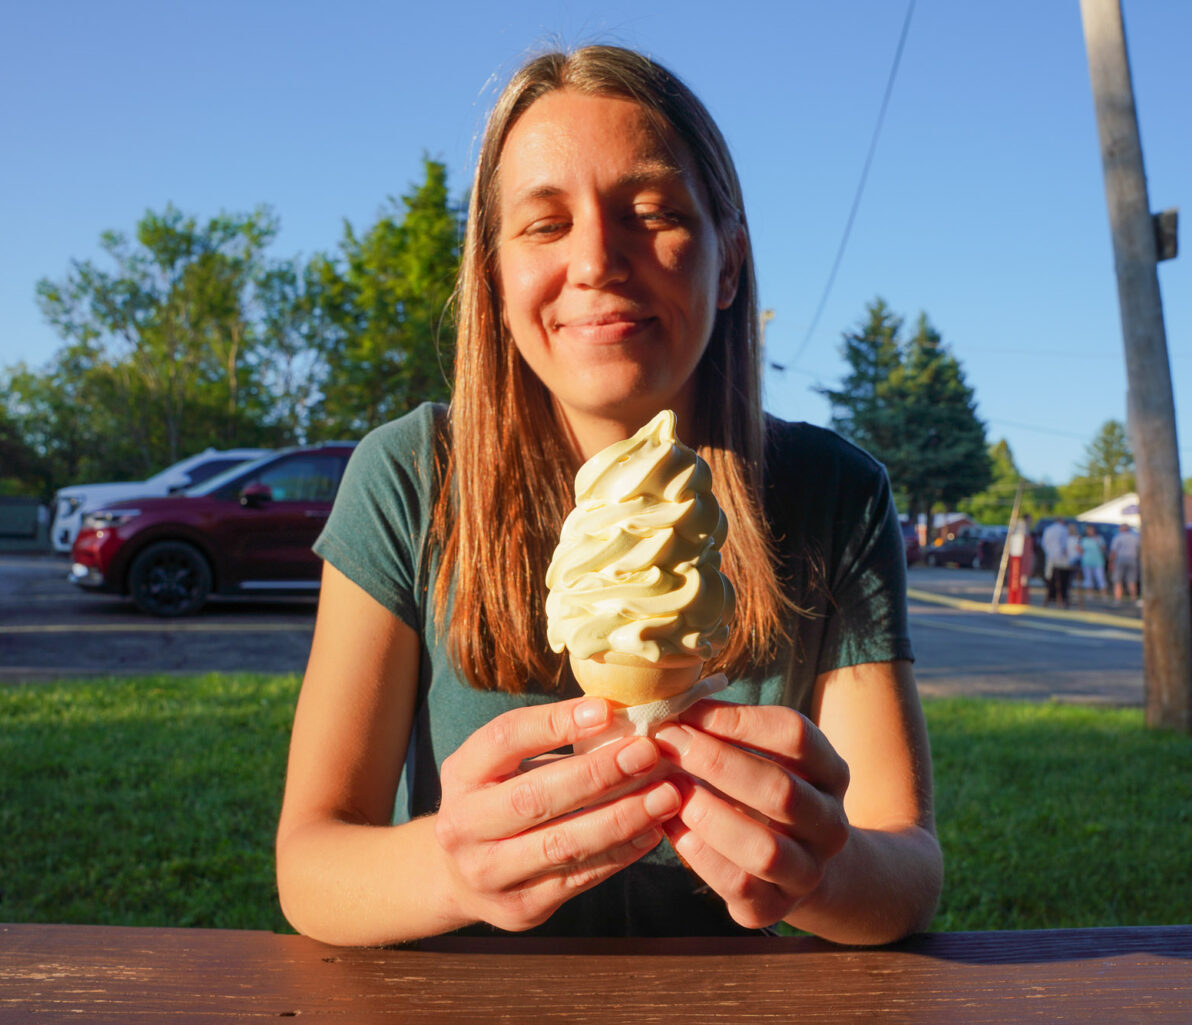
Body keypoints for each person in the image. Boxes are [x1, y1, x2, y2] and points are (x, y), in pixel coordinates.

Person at [274, 45, 941, 947]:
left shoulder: (833, 493)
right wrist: (449, 866)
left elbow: (907, 869)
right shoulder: (408, 476)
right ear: (496, 276)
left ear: (730, 262)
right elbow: (310, 864)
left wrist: (827, 869)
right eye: (544, 225)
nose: (597, 258)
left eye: (654, 212)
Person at [1040, 516, 1073, 608]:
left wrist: (1048, 552)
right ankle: (1060, 597)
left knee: (1050, 577)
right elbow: (1065, 545)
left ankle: (1051, 595)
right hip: (1060, 559)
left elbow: (1043, 543)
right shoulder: (1063, 530)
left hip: (1050, 557)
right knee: (1061, 579)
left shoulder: (1048, 529)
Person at [1110, 523, 1140, 601]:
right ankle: (1133, 598)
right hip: (1132, 559)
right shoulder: (1135, 537)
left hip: (1120, 559)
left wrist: (1111, 562)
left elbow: (1113, 551)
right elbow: (1139, 549)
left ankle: (1117, 599)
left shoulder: (1118, 537)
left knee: (1118, 580)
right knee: (1132, 580)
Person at [1079, 525, 1107, 597]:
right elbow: (1080, 550)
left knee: (1100, 578)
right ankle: (1089, 594)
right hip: (1087, 561)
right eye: (1088, 530)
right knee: (1088, 578)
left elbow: (1103, 548)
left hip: (1098, 561)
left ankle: (1103, 594)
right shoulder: (1084, 539)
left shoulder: (1099, 538)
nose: (1090, 532)